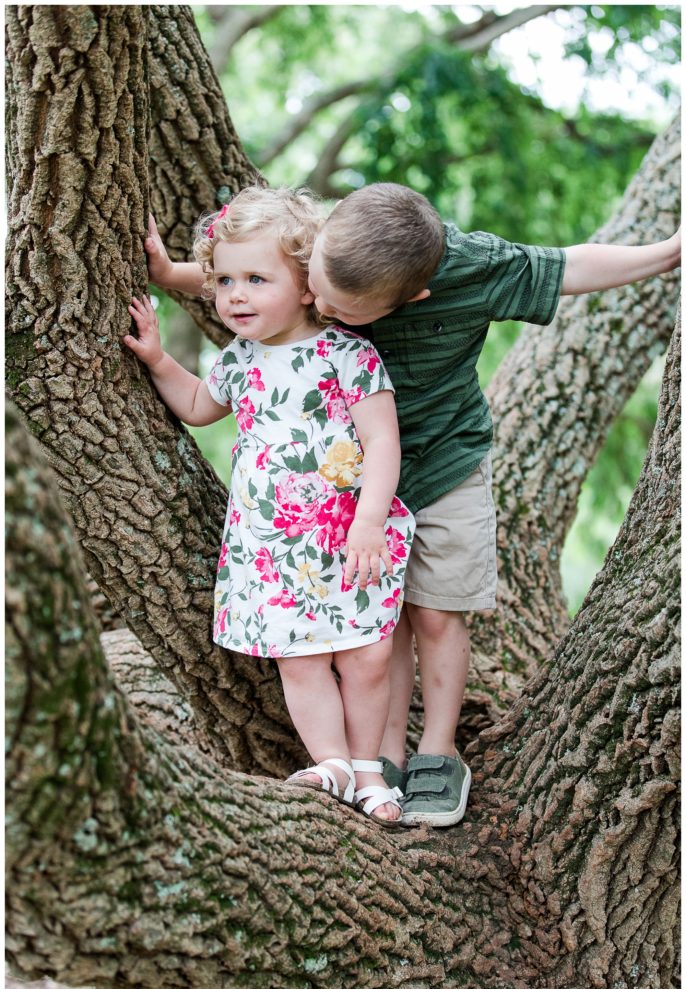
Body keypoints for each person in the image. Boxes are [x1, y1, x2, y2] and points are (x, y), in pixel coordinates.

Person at [144, 182, 681, 828]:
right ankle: (375, 758)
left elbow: (569, 265)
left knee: (435, 613)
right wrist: (174, 278)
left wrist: (670, 251)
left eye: (339, 306)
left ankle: (437, 749)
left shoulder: (456, 274)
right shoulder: (321, 268)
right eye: (317, 288)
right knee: (380, 626)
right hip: (337, 508)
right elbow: (262, 282)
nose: (320, 306)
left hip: (441, 461)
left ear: (409, 298)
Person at [123, 186, 416, 827]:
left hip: (348, 536)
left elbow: (382, 438)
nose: (235, 295)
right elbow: (201, 406)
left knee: (366, 654)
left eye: (256, 278)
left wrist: (370, 519)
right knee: (301, 658)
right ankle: (333, 762)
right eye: (224, 280)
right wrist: (156, 359)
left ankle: (370, 768)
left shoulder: (347, 354)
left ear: (308, 286)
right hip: (275, 544)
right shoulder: (241, 359)